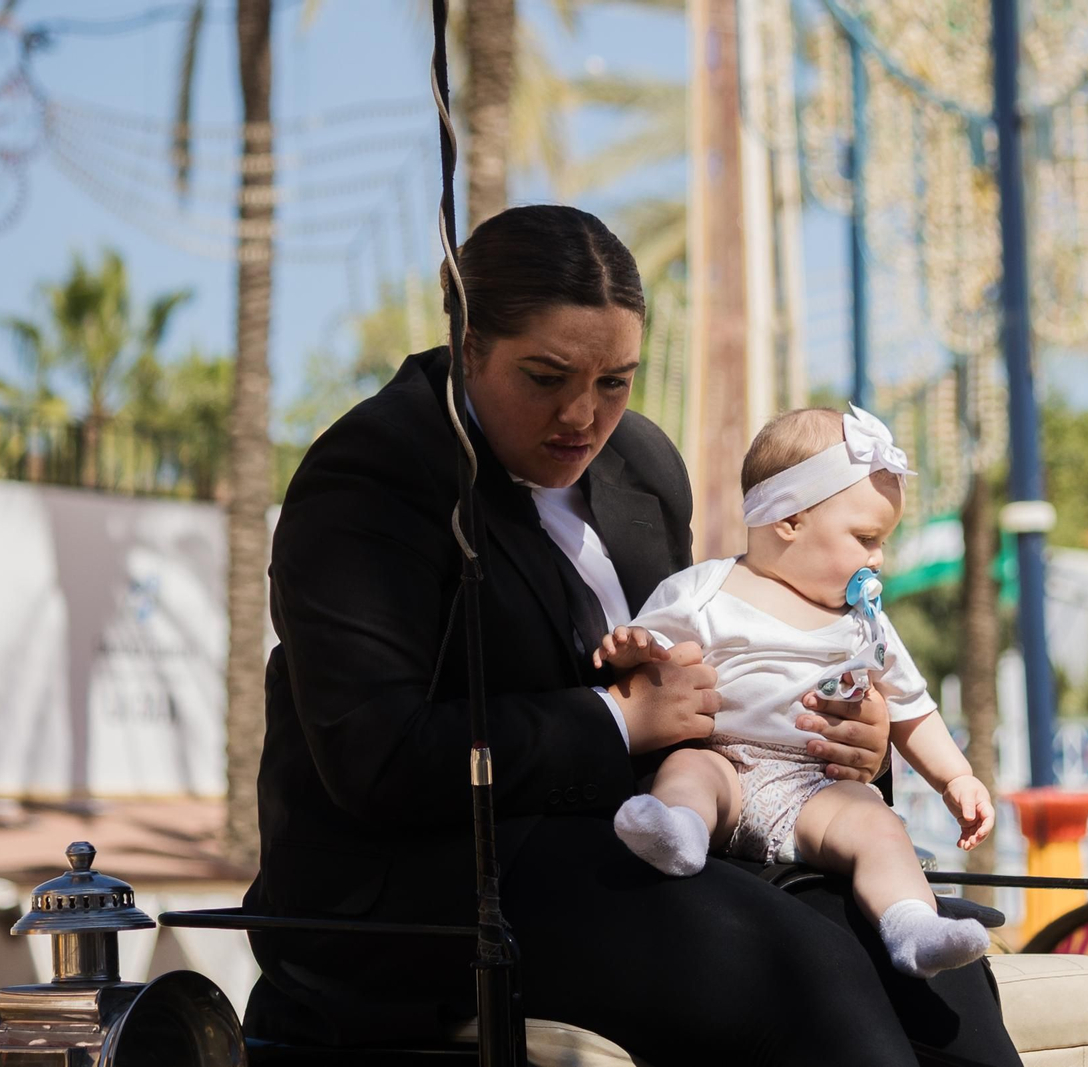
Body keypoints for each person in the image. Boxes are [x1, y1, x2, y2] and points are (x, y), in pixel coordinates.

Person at [242, 203, 1023, 1067]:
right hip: (433, 884)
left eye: (615, 381)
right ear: (468, 347)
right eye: (546, 377)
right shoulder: (371, 477)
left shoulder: (641, 465)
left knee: (940, 981)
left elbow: (721, 663)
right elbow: (376, 758)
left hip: (658, 831)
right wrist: (618, 721)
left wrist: (857, 742)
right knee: (798, 967)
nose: (584, 414)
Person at [602, 406, 996, 978]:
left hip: (815, 786)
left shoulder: (865, 622)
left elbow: (912, 708)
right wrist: (632, 646)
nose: (877, 558)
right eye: (865, 538)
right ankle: (678, 832)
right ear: (788, 520)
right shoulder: (706, 590)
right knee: (686, 772)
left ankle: (912, 924)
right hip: (727, 762)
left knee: (879, 825)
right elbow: (654, 651)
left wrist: (954, 778)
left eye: (882, 540)